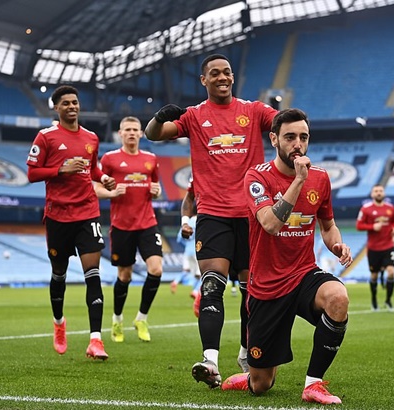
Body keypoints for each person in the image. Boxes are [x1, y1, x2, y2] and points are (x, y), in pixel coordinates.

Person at [144, 53, 278, 386]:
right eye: (214, 73)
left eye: (227, 72)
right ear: (203, 80)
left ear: (233, 77)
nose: (222, 77)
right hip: (213, 214)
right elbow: (153, 134)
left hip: (252, 214)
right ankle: (210, 360)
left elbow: (285, 125)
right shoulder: (194, 117)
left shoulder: (253, 110)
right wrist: (160, 117)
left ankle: (247, 353)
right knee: (212, 285)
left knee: (252, 292)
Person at [221, 108, 352, 405]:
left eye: (303, 137)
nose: (298, 144)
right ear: (274, 140)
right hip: (267, 285)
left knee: (338, 297)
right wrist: (298, 182)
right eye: (290, 137)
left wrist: (337, 245)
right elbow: (270, 223)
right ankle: (251, 377)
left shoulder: (321, 179)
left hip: (303, 273)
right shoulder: (256, 177)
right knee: (262, 385)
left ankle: (313, 384)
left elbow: (328, 224)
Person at [26, 85, 116, 360]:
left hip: (88, 212)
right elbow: (31, 173)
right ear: (56, 107)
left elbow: (94, 167)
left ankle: (95, 340)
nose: (72, 106)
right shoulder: (46, 137)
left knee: (94, 274)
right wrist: (60, 170)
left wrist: (103, 178)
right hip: (58, 217)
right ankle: (59, 323)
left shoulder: (91, 137)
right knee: (59, 275)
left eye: (74, 102)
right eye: (65, 103)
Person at [94, 116, 163, 343]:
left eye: (135, 130)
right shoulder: (110, 159)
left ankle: (141, 318)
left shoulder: (151, 159)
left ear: (141, 133)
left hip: (147, 223)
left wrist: (157, 192)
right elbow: (95, 186)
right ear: (120, 133)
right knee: (125, 275)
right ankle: (117, 319)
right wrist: (111, 193)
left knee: (156, 269)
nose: (132, 133)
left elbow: (157, 188)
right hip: (121, 225)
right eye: (128, 130)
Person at [356, 184, 394, 312]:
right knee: (374, 275)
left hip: (388, 246)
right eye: (376, 191)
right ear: (372, 194)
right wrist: (372, 227)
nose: (378, 193)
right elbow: (359, 225)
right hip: (374, 248)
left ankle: (388, 300)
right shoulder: (366, 209)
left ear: (384, 193)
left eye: (380, 191)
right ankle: (374, 300)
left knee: (391, 271)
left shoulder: (391, 208)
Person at [172, 179, 202, 318]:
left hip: (187, 251)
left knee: (189, 272)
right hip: (199, 250)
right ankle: (196, 291)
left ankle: (177, 282)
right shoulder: (202, 220)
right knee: (201, 274)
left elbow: (180, 238)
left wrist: (187, 245)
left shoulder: (188, 222)